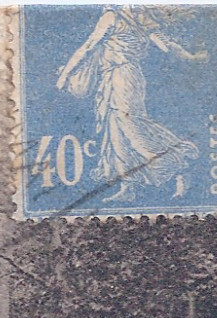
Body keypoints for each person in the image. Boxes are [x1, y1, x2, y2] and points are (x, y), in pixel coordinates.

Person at [55, 6, 207, 203]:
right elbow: (165, 46)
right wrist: (190, 56)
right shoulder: (145, 21)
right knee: (116, 129)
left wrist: (64, 76)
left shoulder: (112, 16)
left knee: (130, 125)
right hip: (118, 76)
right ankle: (128, 186)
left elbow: (88, 46)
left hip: (122, 77)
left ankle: (177, 163)